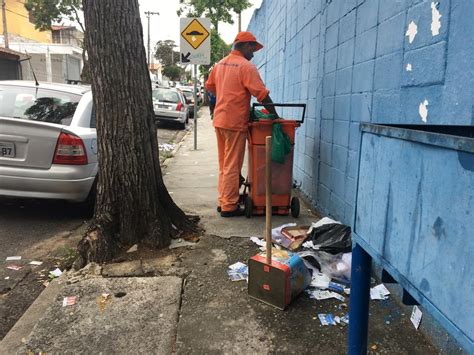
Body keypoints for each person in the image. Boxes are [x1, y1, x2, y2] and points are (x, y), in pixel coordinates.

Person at [205, 31, 278, 217]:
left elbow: (210, 87)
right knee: (232, 166)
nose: (253, 53)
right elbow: (261, 94)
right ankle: (229, 206)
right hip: (235, 121)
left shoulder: (219, 64)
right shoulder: (246, 67)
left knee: (224, 164)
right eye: (252, 48)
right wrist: (275, 115)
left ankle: (224, 201)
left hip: (220, 120)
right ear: (245, 46)